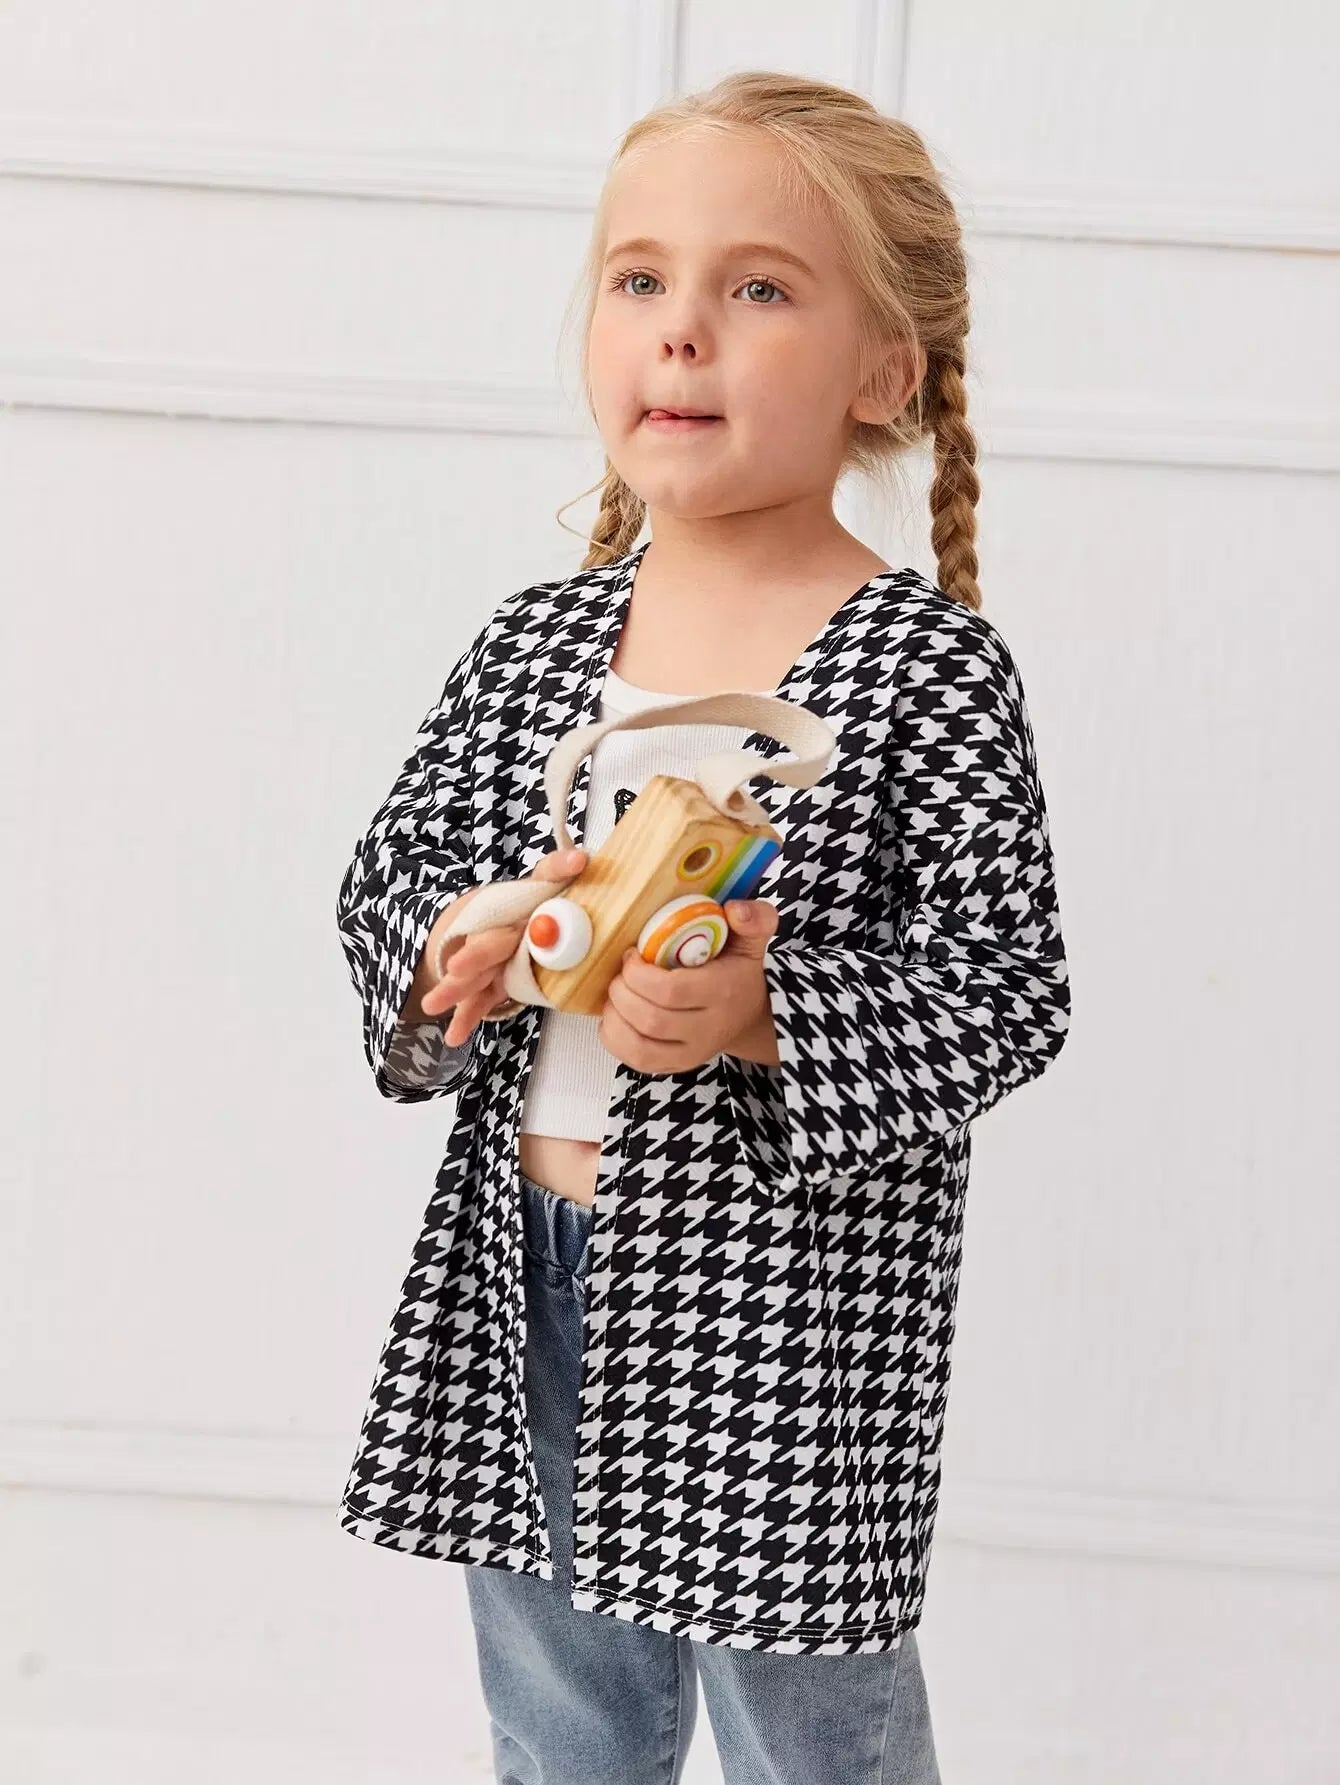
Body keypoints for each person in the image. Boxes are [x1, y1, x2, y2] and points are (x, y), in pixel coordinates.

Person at [335, 69, 1071, 1785]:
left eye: (757, 287)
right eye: (640, 278)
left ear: (883, 373)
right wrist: (458, 947)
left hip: (786, 1315)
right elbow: (393, 875)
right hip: (531, 1268)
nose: (682, 330)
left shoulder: (925, 670)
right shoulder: (535, 644)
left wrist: (768, 1011)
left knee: (813, 1733)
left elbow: (1003, 986)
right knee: (562, 1723)